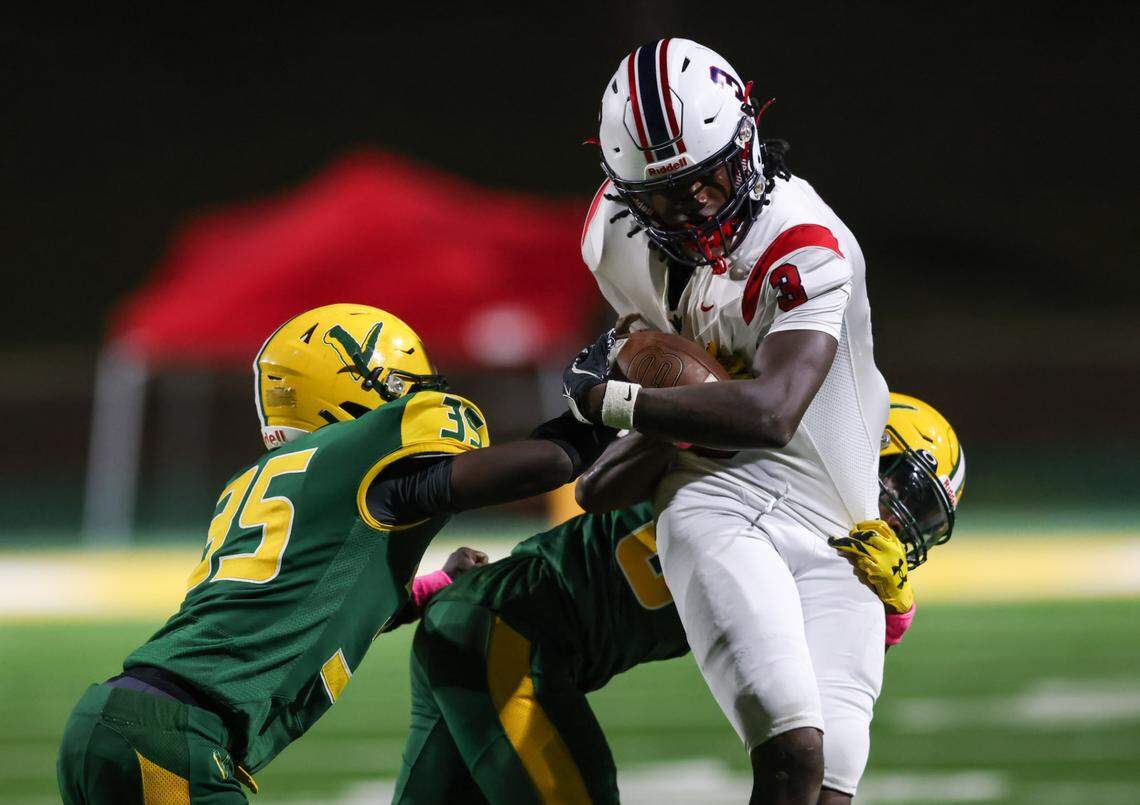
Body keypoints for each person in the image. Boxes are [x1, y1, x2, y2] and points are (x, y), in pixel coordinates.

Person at [57, 303, 613, 804]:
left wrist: (429, 588)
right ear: (362, 383)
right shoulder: (366, 464)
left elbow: (308, 602)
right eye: (404, 385)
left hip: (120, 719)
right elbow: (547, 464)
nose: (414, 397)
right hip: (174, 739)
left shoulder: (261, 482)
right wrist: (604, 404)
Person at [564, 37, 893, 802]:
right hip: (713, 490)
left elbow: (774, 411)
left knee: (835, 774)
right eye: (665, 194)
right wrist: (624, 415)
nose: (693, 206)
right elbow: (674, 374)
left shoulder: (807, 243)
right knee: (792, 744)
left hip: (836, 513)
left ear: (745, 142)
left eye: (707, 178)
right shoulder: (611, 236)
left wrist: (613, 399)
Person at [393, 393, 965, 803]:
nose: (902, 520)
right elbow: (588, 511)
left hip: (479, 630)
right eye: (902, 491)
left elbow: (832, 668)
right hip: (503, 639)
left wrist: (894, 605)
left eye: (925, 513)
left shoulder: (818, 552)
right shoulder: (745, 473)